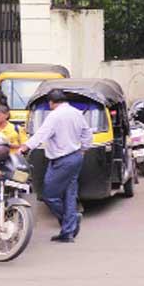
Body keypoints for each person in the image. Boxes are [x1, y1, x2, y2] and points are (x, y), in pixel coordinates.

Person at [20, 89, 93, 243]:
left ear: (51, 102)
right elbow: (87, 133)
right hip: (75, 157)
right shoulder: (76, 113)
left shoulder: (54, 116)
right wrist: (83, 149)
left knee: (49, 195)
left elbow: (41, 134)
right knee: (69, 194)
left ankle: (70, 221)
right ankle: (67, 233)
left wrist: (24, 147)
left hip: (62, 161)